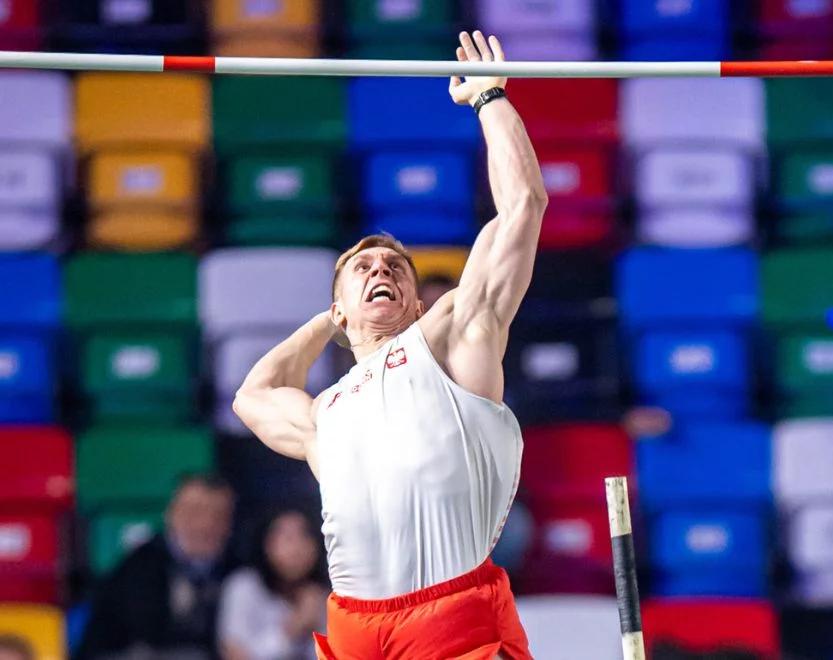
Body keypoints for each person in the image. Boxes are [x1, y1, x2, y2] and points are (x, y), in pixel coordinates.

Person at [232, 30, 546, 660]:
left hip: (450, 615)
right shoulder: (326, 413)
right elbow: (254, 396)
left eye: (396, 267)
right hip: (355, 630)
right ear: (341, 305)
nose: (382, 270)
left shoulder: (453, 338)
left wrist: (491, 100)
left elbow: (523, 208)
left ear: (419, 301)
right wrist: (329, 320)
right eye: (364, 267)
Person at [78, 474, 236, 660]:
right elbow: (146, 633)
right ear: (171, 514)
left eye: (219, 515)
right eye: (195, 511)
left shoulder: (239, 570)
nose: (206, 524)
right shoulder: (139, 566)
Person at [219, 508, 330, 660]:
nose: (296, 548)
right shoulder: (243, 587)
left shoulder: (328, 595)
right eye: (287, 538)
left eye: (305, 536)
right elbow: (234, 654)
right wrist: (293, 628)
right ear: (266, 543)